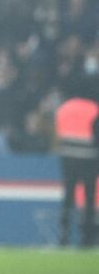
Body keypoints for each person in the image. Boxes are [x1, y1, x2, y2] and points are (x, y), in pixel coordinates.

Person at [55, 87, 99, 248]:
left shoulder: (63, 108)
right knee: (89, 197)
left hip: (67, 157)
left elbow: (59, 132)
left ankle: (63, 234)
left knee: (68, 196)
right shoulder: (94, 108)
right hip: (89, 158)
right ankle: (87, 237)